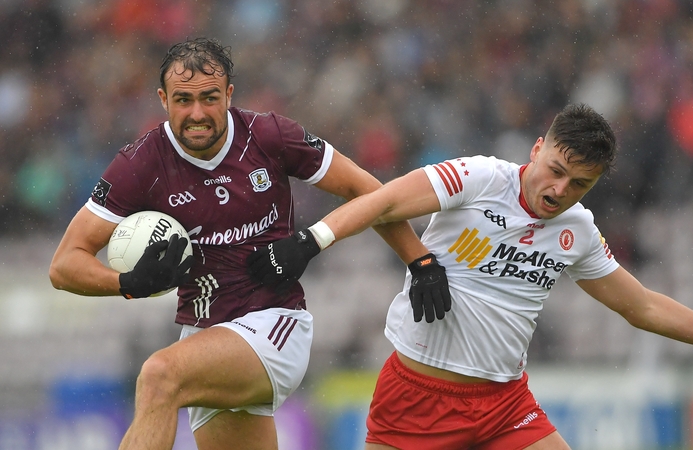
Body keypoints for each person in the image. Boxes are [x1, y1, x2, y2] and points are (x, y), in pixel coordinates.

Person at [252, 103, 693, 450]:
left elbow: (641, 306)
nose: (560, 190)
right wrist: (311, 241)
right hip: (417, 398)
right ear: (537, 150)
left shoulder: (578, 231)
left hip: (505, 407)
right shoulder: (479, 177)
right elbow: (383, 200)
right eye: (556, 170)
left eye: (579, 184)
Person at [48, 37, 447, 450]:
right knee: (165, 378)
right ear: (163, 100)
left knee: (158, 375)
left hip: (276, 326)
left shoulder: (270, 135)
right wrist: (128, 282)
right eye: (183, 100)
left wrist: (419, 261)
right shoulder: (139, 164)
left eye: (209, 98)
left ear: (229, 96)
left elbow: (368, 191)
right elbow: (64, 265)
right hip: (205, 336)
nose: (197, 113)